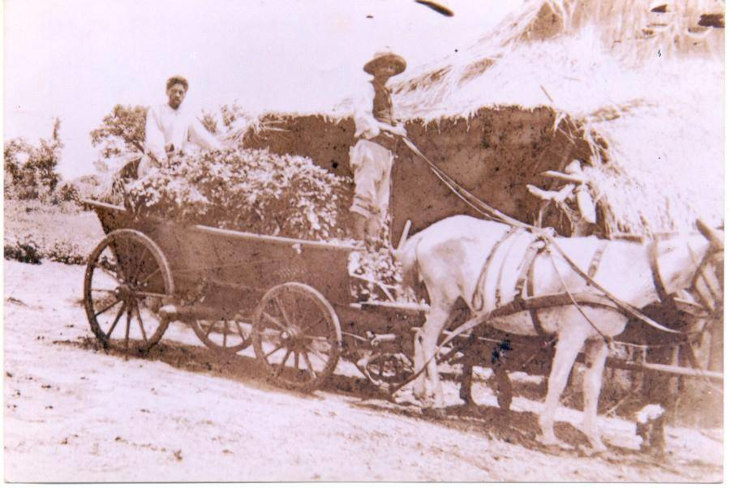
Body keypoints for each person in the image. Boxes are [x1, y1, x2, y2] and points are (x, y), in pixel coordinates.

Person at [349, 52, 407, 243]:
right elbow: (363, 118)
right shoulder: (367, 89)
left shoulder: (388, 94)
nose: (388, 71)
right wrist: (389, 129)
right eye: (384, 66)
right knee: (365, 196)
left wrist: (397, 128)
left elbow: (388, 120)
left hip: (385, 152)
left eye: (392, 67)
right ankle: (358, 244)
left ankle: (371, 247)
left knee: (380, 204)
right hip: (370, 148)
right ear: (374, 68)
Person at [138, 75, 222, 177]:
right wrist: (162, 158)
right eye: (174, 91)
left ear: (185, 95)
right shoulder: (156, 111)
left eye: (181, 92)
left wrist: (219, 150)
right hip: (154, 164)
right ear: (167, 92)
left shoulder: (187, 115)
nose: (177, 95)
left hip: (175, 164)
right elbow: (153, 138)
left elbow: (201, 135)